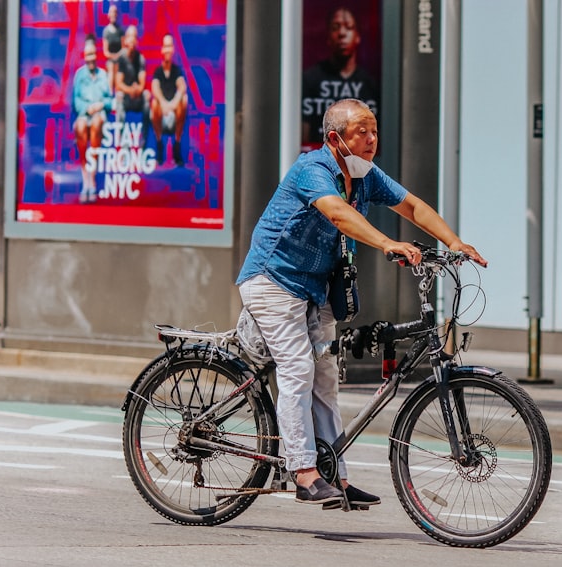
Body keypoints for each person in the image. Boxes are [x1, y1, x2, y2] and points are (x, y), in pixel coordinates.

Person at [236, 98, 487, 507]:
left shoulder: (365, 175)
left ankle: (336, 477)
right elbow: (337, 214)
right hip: (273, 280)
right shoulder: (311, 169)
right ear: (335, 139)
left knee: (326, 380)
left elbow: (412, 206)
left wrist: (454, 242)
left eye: (374, 130)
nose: (372, 139)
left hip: (315, 288)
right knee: (298, 369)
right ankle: (302, 471)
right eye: (362, 132)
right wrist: (388, 243)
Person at [301, 7, 379, 147]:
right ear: (328, 36)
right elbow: (302, 133)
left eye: (349, 27)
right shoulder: (310, 79)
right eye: (335, 27)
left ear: (358, 36)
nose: (342, 33)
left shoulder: (370, 84)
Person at [72, 36, 113, 203]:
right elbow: (75, 101)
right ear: (84, 56)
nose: (91, 58)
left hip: (99, 116)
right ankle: (85, 177)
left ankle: (93, 175)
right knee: (81, 127)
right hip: (84, 114)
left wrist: (100, 105)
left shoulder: (103, 75)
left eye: (93, 55)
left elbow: (111, 100)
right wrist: (87, 108)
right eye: (88, 55)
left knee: (96, 125)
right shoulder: (79, 75)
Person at [150, 33, 188, 167]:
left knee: (184, 100)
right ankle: (159, 144)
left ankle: (177, 144)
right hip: (161, 114)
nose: (167, 49)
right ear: (161, 49)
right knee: (154, 103)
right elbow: (154, 88)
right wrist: (164, 104)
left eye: (170, 46)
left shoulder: (177, 71)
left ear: (173, 49)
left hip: (174, 112)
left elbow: (182, 86)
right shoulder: (158, 71)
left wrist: (172, 105)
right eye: (165, 46)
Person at [113, 25, 150, 130]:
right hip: (126, 95)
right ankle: (121, 140)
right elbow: (118, 84)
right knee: (119, 97)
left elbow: (142, 83)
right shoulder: (121, 58)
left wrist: (137, 90)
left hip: (137, 96)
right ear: (125, 40)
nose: (132, 40)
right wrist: (130, 90)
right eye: (129, 36)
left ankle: (144, 140)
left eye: (134, 37)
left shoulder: (141, 59)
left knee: (147, 98)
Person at [101, 4, 122, 94]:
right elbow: (105, 52)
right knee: (111, 66)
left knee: (117, 66)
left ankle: (117, 93)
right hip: (110, 59)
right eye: (111, 12)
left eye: (115, 12)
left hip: (119, 59)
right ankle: (110, 93)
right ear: (108, 15)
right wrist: (113, 57)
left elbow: (123, 48)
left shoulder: (120, 30)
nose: (113, 14)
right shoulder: (106, 31)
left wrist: (118, 56)